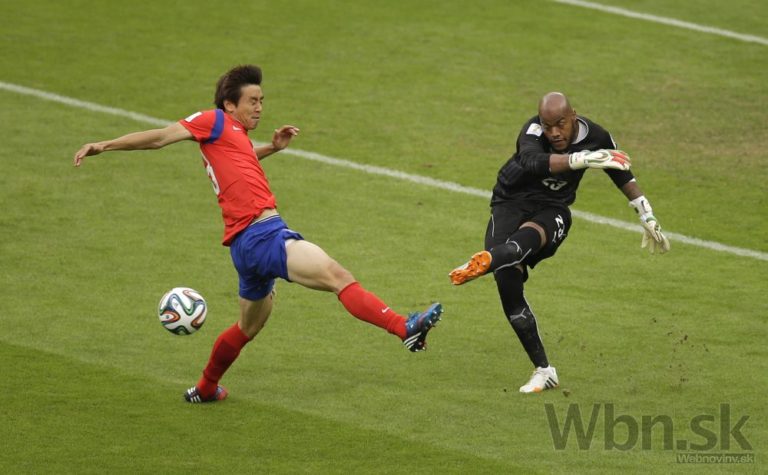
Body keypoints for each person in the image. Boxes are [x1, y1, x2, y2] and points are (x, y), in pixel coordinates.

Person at [74, 64, 443, 403]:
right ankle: (403, 327)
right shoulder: (213, 120)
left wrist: (273, 148)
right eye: (252, 101)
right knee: (338, 277)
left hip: (244, 246)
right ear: (229, 104)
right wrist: (104, 145)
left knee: (247, 327)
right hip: (263, 234)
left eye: (262, 100)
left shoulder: (230, 134)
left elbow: (242, 157)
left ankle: (205, 387)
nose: (259, 108)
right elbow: (159, 137)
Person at [449, 92, 669, 393]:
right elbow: (533, 161)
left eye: (560, 124)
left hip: (552, 209)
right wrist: (581, 159)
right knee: (507, 283)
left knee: (518, 246)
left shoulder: (597, 136)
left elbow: (622, 173)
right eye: (548, 125)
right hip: (510, 202)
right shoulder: (532, 131)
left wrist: (646, 213)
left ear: (573, 116)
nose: (553, 132)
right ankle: (544, 371)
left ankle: (488, 260)